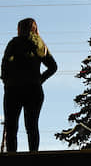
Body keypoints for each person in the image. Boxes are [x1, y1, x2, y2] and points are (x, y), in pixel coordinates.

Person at [1, 18, 57, 152]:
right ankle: (33, 156)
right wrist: (39, 80)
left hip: (14, 89)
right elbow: (53, 67)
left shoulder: (14, 43)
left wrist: (6, 80)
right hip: (34, 89)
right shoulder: (39, 44)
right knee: (32, 126)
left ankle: (12, 157)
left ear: (20, 29)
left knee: (11, 127)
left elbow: (5, 65)